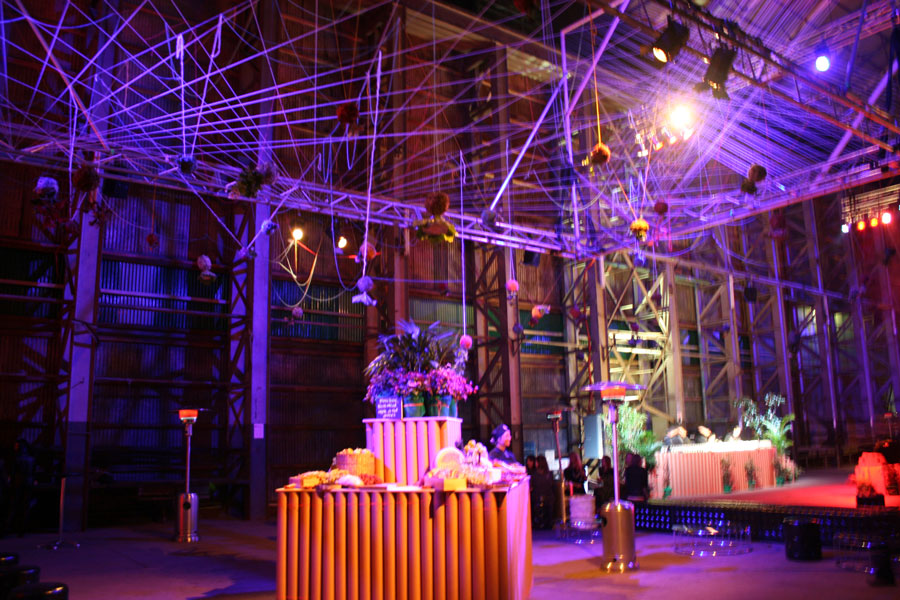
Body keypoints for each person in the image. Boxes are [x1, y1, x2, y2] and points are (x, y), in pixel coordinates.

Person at [530, 455, 556, 530]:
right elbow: (552, 486)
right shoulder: (549, 474)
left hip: (537, 498)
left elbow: (532, 487)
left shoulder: (534, 475)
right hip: (549, 498)